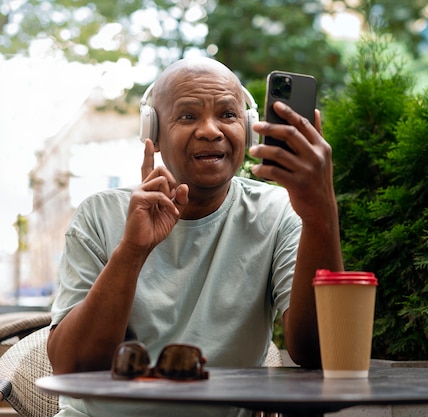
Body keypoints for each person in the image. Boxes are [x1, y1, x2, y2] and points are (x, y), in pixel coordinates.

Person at [46, 56, 343, 417]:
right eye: (188, 116)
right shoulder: (99, 214)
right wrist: (132, 251)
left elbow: (316, 352)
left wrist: (320, 214)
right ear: (152, 132)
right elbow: (71, 366)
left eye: (228, 115)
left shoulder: (279, 212)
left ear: (249, 128)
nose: (210, 130)